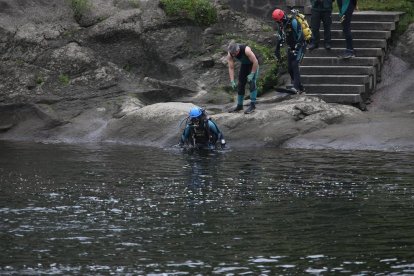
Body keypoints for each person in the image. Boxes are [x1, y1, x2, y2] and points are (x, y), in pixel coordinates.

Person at [272, 8, 306, 94]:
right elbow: (280, 37)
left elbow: (301, 34)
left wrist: (297, 47)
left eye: (279, 21)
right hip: (291, 47)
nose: (278, 23)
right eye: (277, 21)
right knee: (290, 69)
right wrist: (277, 49)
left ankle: (295, 87)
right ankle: (300, 87)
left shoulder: (293, 21)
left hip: (300, 45)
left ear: (282, 17)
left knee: (295, 64)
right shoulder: (281, 25)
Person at [227, 42, 259, 114]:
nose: (233, 55)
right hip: (244, 65)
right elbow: (231, 67)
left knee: (252, 83)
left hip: (253, 64)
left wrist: (252, 73)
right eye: (232, 54)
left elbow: (255, 61)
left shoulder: (246, 50)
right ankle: (240, 105)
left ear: (238, 50)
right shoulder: (230, 53)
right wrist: (232, 80)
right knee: (241, 84)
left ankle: (253, 105)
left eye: (234, 53)